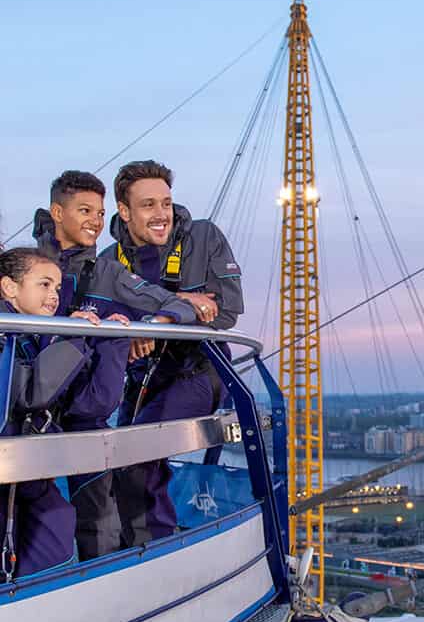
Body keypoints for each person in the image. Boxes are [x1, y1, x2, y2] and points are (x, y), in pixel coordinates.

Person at [33, 170, 200, 558]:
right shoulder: (26, 268)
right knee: (33, 520)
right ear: (57, 212)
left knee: (98, 522)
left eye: (100, 211)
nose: (95, 221)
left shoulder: (108, 274)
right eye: (84, 210)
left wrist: (150, 327)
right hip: (28, 414)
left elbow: (175, 305)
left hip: (84, 417)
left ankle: (107, 602)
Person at [102, 160, 244, 546]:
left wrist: (156, 320)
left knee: (139, 453)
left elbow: (226, 309)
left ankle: (157, 550)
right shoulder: (109, 260)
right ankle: (129, 546)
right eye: (148, 205)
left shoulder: (203, 237)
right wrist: (176, 305)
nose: (161, 214)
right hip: (141, 374)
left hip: (200, 371)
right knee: (115, 457)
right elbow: (101, 317)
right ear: (124, 210)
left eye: (166, 202)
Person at [0, 248, 128, 579]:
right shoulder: (7, 333)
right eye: (44, 285)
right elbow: (29, 394)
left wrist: (112, 343)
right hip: (12, 464)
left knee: (56, 520)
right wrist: (68, 335)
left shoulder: (33, 333)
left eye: (57, 288)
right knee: (50, 522)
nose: (54, 296)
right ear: (9, 287)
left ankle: (30, 608)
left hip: (30, 464)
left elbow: (89, 403)